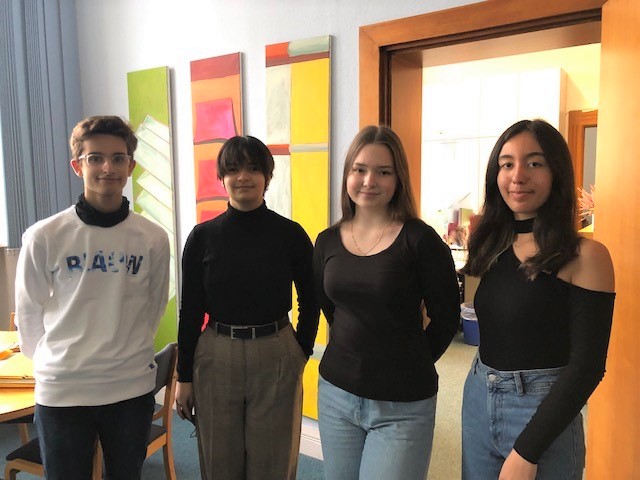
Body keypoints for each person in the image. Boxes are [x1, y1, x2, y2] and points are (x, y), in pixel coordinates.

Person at [15, 115, 171, 479]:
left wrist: (124, 351)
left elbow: (154, 306)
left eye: (118, 158)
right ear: (77, 166)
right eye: (95, 158)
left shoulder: (152, 238)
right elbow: (28, 311)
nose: (107, 168)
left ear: (130, 166)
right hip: (64, 390)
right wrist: (60, 361)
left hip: (130, 387)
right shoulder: (45, 236)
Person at [460, 119, 615, 480]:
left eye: (534, 163)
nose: (518, 176)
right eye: (507, 164)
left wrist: (527, 451)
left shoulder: (586, 255)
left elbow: (587, 367)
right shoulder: (491, 244)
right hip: (479, 395)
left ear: (556, 172)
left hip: (541, 412)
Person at [313, 125, 461, 479]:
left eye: (383, 172)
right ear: (348, 174)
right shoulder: (327, 241)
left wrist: (411, 361)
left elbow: (446, 317)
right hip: (336, 395)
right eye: (360, 169)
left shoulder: (420, 241)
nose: (369, 181)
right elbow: (332, 310)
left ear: (398, 179)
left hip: (402, 404)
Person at [176, 135, 320, 480]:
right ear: (221, 177)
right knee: (219, 461)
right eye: (233, 169)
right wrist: (184, 376)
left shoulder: (290, 234)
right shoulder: (202, 237)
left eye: (253, 168)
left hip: (276, 351)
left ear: (267, 176)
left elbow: (311, 298)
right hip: (216, 353)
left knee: (274, 461)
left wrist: (300, 350)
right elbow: (191, 309)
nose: (243, 177)